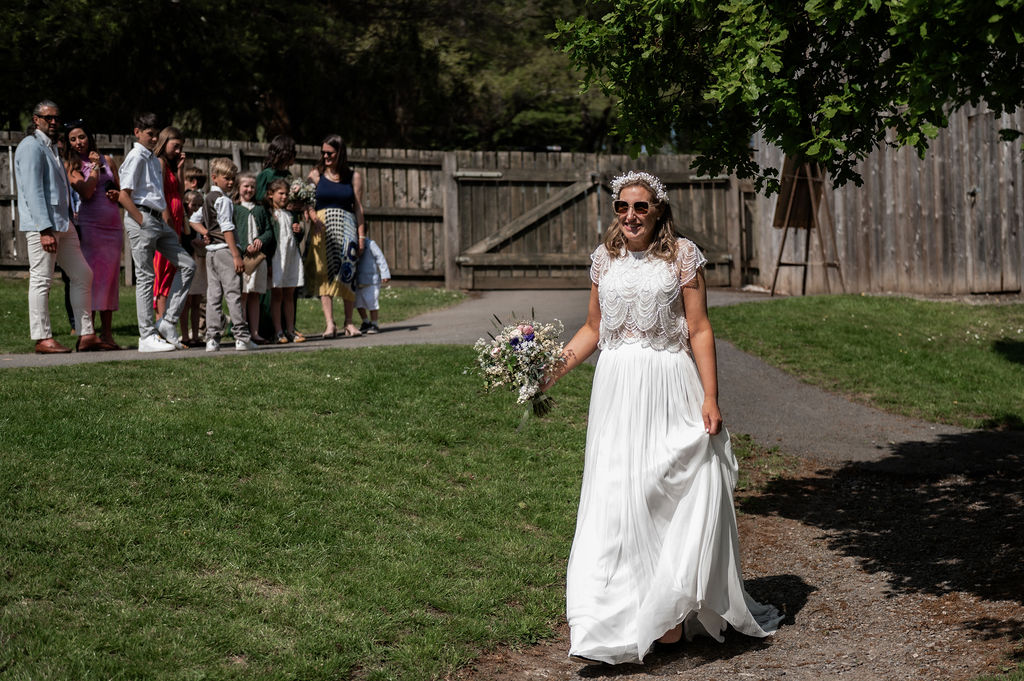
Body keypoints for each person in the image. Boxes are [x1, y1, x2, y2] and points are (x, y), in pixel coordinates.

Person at [543, 171, 782, 665]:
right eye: (622, 208)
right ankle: (615, 617)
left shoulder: (682, 256)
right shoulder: (602, 259)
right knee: (615, 496)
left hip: (669, 383)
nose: (630, 216)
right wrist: (546, 373)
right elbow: (593, 328)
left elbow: (699, 329)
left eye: (641, 208)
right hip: (616, 389)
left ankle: (669, 616)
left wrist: (711, 397)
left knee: (663, 489)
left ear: (658, 212)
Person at [15, 99, 105, 353]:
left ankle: (86, 334)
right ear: (36, 119)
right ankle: (43, 338)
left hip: (63, 223)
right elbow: (32, 191)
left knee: (82, 274)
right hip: (43, 225)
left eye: (56, 118)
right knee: (42, 278)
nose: (53, 122)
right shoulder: (31, 147)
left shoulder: (52, 147)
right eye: (48, 118)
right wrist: (43, 229)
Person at [118, 112, 195, 352]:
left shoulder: (152, 158)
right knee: (146, 277)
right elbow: (123, 194)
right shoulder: (136, 156)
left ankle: (168, 322)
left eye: (155, 135)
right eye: (149, 134)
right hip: (142, 218)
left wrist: (162, 220)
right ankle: (146, 336)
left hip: (158, 220)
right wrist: (141, 220)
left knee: (188, 265)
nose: (153, 139)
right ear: (137, 133)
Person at [64, 120, 123, 349]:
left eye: (82, 137)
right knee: (91, 279)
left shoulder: (108, 160)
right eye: (73, 139)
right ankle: (89, 333)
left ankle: (107, 334)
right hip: (91, 227)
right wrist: (95, 168)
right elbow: (87, 192)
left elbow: (119, 188)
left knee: (110, 281)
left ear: (89, 137)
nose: (79, 142)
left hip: (112, 226)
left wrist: (114, 193)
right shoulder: (72, 165)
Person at [306, 135, 367, 337]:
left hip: (347, 227)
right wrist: (311, 214)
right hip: (322, 229)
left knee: (347, 272)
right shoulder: (316, 174)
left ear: (340, 153)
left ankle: (349, 323)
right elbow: (306, 201)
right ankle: (329, 324)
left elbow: (358, 207)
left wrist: (361, 237)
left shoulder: (353, 177)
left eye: (329, 153)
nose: (325, 156)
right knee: (325, 274)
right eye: (323, 152)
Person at [194, 158, 256, 352]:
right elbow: (227, 228)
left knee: (213, 295)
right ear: (214, 177)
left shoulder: (207, 199)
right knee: (233, 294)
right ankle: (241, 337)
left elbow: (194, 220)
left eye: (232, 179)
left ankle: (212, 338)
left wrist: (206, 233)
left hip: (211, 254)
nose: (230, 182)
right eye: (226, 178)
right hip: (225, 252)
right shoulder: (223, 200)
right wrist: (236, 255)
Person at [152, 127, 187, 330]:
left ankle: (165, 323)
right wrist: (169, 224)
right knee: (163, 271)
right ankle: (161, 320)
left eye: (180, 147)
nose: (178, 151)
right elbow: (160, 193)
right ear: (164, 143)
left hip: (176, 222)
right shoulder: (160, 163)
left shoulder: (172, 166)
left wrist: (181, 168)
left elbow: (180, 193)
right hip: (167, 223)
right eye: (175, 146)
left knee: (172, 271)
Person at [264, 178, 305, 343]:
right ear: (271, 194)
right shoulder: (270, 214)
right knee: (277, 294)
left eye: (287, 194)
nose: (284, 196)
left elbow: (294, 238)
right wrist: (268, 262)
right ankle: (278, 331)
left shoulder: (291, 213)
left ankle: (290, 329)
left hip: (291, 257)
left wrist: (299, 230)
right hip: (277, 258)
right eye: (281, 193)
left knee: (290, 293)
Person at [234, 171, 272, 344]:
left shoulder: (260, 209)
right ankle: (241, 332)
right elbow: (230, 231)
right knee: (242, 295)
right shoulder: (234, 208)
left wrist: (260, 240)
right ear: (239, 187)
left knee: (255, 295)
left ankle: (255, 332)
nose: (249, 189)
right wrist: (243, 245)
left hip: (258, 260)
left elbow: (269, 231)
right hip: (241, 259)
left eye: (252, 186)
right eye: (245, 186)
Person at [181, 189, 206, 346]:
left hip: (200, 262)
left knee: (197, 301)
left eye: (199, 205)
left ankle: (196, 335)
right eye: (193, 205)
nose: (195, 208)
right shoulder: (183, 222)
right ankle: (185, 336)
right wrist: (191, 243)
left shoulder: (202, 222)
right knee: (186, 302)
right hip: (188, 259)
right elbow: (183, 240)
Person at [355, 237, 390, 334]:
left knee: (372, 302)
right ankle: (366, 322)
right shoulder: (352, 243)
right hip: (357, 280)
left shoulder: (370, 244)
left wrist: (385, 273)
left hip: (371, 280)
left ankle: (374, 324)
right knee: (358, 303)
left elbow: (380, 257)